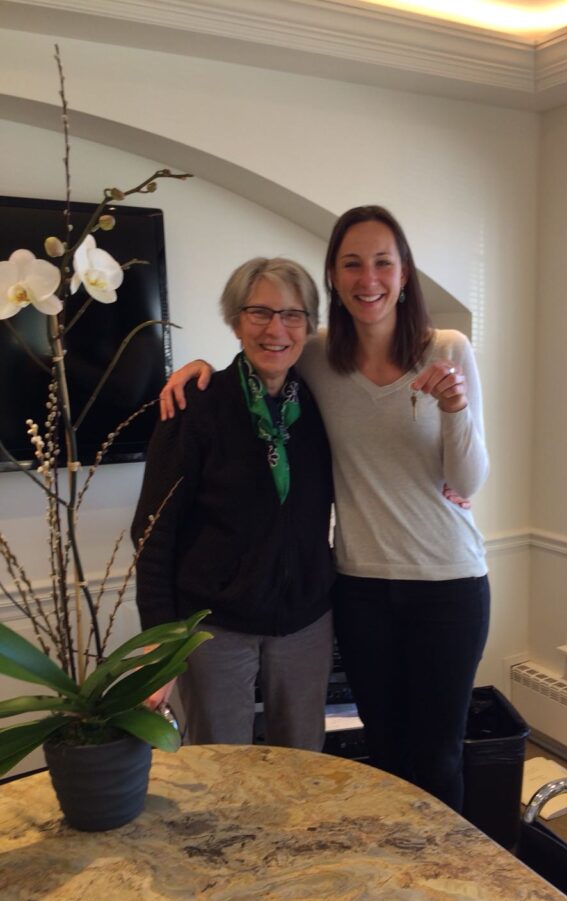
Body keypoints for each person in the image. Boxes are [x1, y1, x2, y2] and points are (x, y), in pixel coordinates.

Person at [160, 207, 489, 811]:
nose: (369, 279)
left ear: (405, 272)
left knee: (439, 753)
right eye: (352, 264)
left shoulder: (447, 348)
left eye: (383, 262)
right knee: (384, 752)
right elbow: (261, 351)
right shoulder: (316, 355)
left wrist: (455, 410)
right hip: (359, 586)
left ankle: (439, 884)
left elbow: (470, 479)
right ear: (334, 279)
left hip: (447, 582)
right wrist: (196, 369)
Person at [132, 257, 334, 750]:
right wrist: (160, 643)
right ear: (235, 319)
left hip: (306, 621)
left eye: (292, 315)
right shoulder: (195, 405)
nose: (276, 329)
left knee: (304, 759)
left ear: (309, 326)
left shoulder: (322, 404)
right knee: (220, 764)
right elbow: (153, 531)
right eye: (259, 312)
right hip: (215, 626)